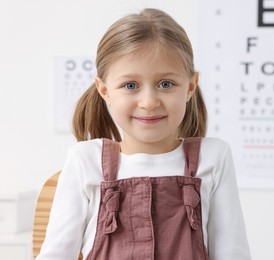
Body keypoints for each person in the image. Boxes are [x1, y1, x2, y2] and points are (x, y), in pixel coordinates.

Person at [37, 8, 251, 260]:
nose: (149, 102)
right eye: (130, 86)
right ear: (104, 90)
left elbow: (232, 253)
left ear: (191, 86)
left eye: (166, 84)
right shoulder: (85, 160)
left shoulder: (214, 157)